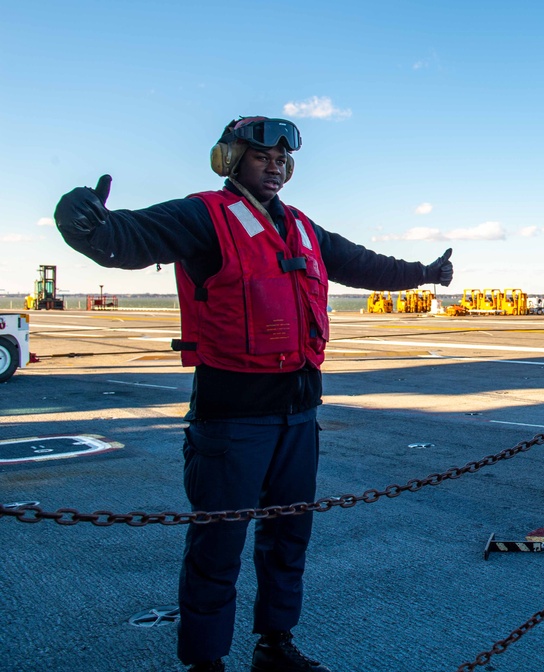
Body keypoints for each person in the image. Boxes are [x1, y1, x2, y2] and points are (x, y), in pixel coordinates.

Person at [53, 116, 455, 672]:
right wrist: (85, 224)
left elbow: (361, 263)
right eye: (262, 154)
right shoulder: (202, 216)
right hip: (231, 420)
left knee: (289, 540)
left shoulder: (302, 228)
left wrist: (423, 273)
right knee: (217, 549)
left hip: (298, 417)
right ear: (231, 159)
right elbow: (129, 238)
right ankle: (206, 662)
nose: (275, 164)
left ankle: (275, 647)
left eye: (282, 158)